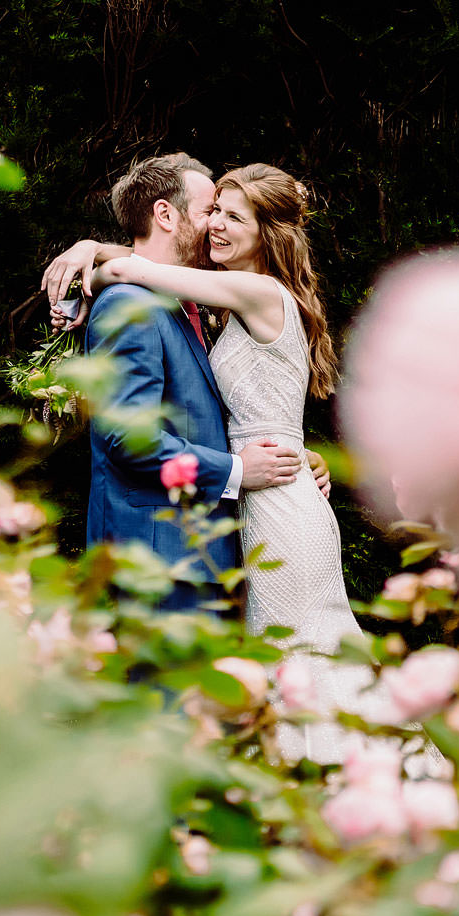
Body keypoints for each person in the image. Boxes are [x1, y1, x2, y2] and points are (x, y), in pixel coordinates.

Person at [44, 162, 372, 764]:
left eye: (229, 214)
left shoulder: (231, 296)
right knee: (211, 710)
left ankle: (334, 793)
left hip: (245, 521)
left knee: (292, 664)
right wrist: (249, 468)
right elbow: (133, 439)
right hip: (173, 549)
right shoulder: (141, 305)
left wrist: (92, 252)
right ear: (167, 215)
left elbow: (131, 268)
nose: (215, 223)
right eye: (209, 210)